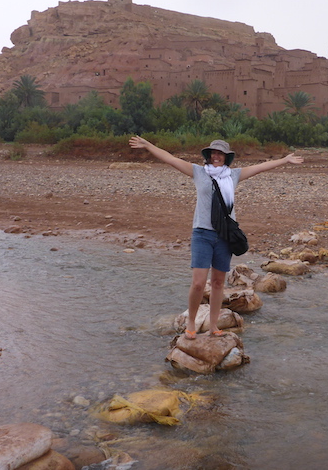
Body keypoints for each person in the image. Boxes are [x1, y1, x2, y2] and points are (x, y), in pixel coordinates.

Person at [129, 136, 304, 339]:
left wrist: (285, 160)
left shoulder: (233, 175)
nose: (216, 156)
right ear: (209, 155)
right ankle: (192, 323)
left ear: (226, 157)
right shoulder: (198, 172)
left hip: (225, 237)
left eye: (220, 153)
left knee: (219, 283)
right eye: (213, 153)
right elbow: (170, 159)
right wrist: (149, 145)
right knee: (198, 283)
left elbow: (261, 167)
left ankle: (213, 325)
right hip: (202, 234)